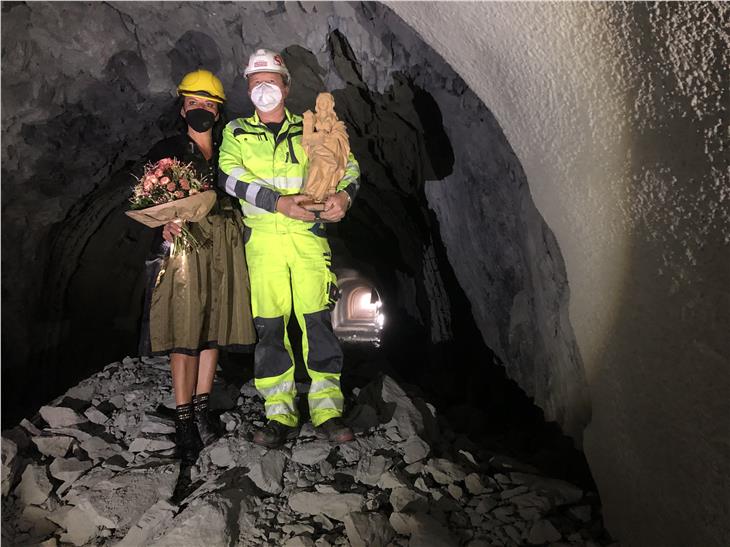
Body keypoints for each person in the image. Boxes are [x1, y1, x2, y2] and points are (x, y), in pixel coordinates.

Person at [218, 49, 360, 448]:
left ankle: (327, 410)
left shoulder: (312, 127)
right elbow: (230, 176)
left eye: (271, 79)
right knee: (270, 328)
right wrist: (278, 203)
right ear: (247, 86)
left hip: (308, 238)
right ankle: (279, 412)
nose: (263, 87)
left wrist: (344, 197)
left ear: (287, 85)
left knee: (317, 321)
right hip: (262, 241)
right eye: (255, 80)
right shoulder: (237, 132)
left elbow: (346, 165)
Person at [138, 69, 256, 462]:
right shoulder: (168, 151)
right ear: (183, 107)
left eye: (208, 104)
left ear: (218, 112)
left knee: (213, 325)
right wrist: (164, 224)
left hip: (222, 242)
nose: (200, 110)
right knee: (184, 328)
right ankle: (184, 419)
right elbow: (150, 200)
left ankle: (202, 409)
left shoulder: (229, 151)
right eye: (194, 103)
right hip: (186, 245)